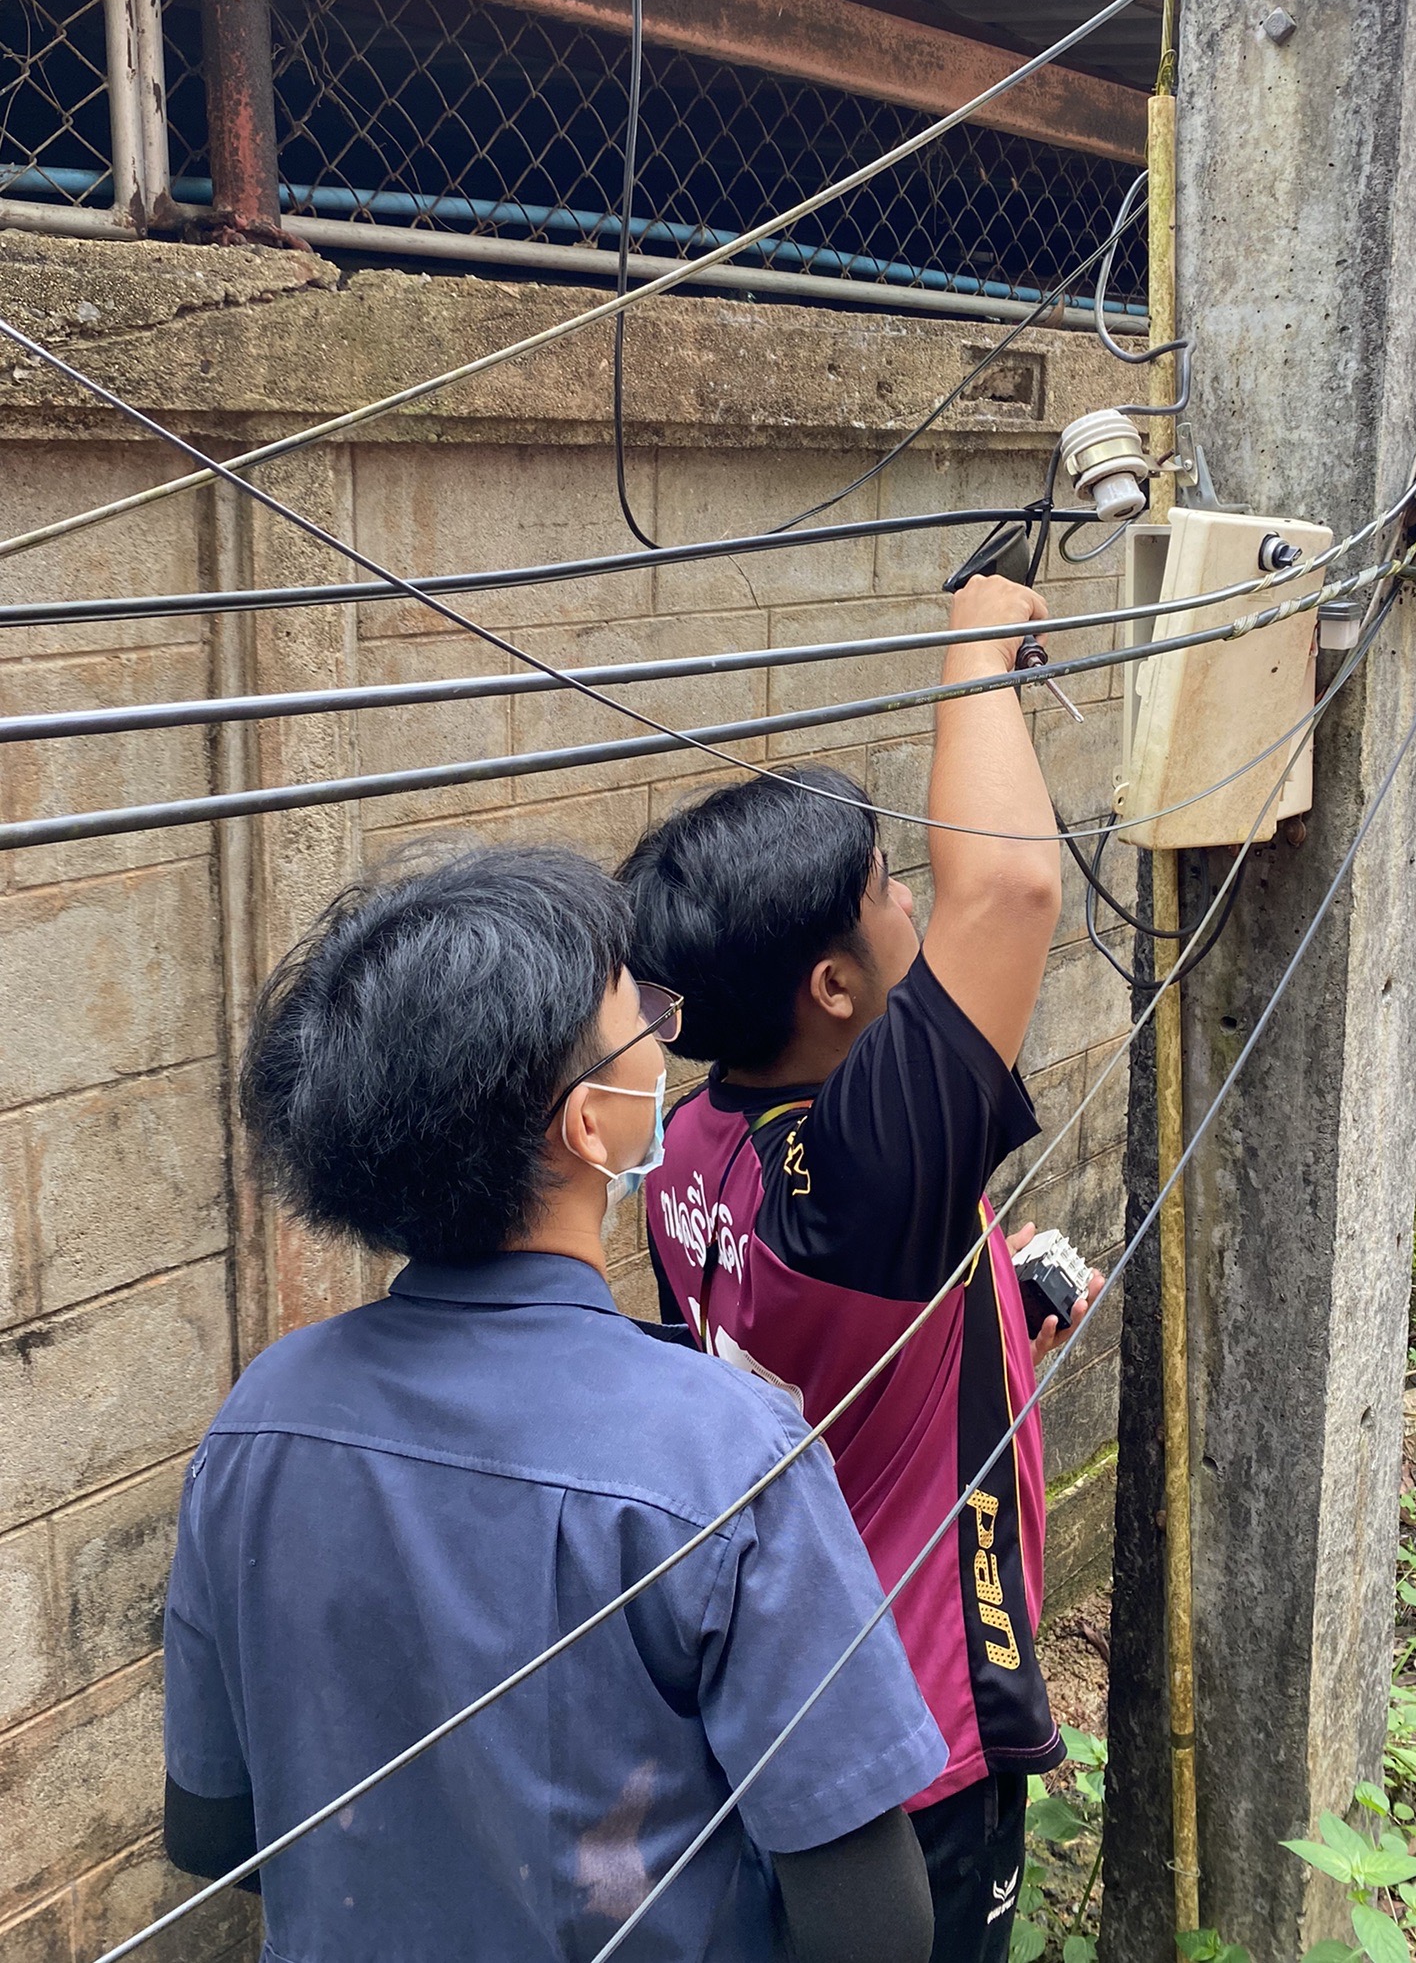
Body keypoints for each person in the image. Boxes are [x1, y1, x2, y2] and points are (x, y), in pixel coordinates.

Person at [161, 846, 945, 1963]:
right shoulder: (725, 1455)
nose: (668, 1040)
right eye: (645, 1019)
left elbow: (211, 1828)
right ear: (590, 1125)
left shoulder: (258, 1417)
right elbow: (875, 1929)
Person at [622, 574, 1101, 1963]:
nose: (912, 904)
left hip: (777, 1703)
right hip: (918, 1729)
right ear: (832, 991)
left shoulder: (687, 1145)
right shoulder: (865, 1179)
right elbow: (1009, 885)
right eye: (888, 888)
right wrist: (977, 640)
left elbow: (793, 1370)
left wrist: (999, 1310)